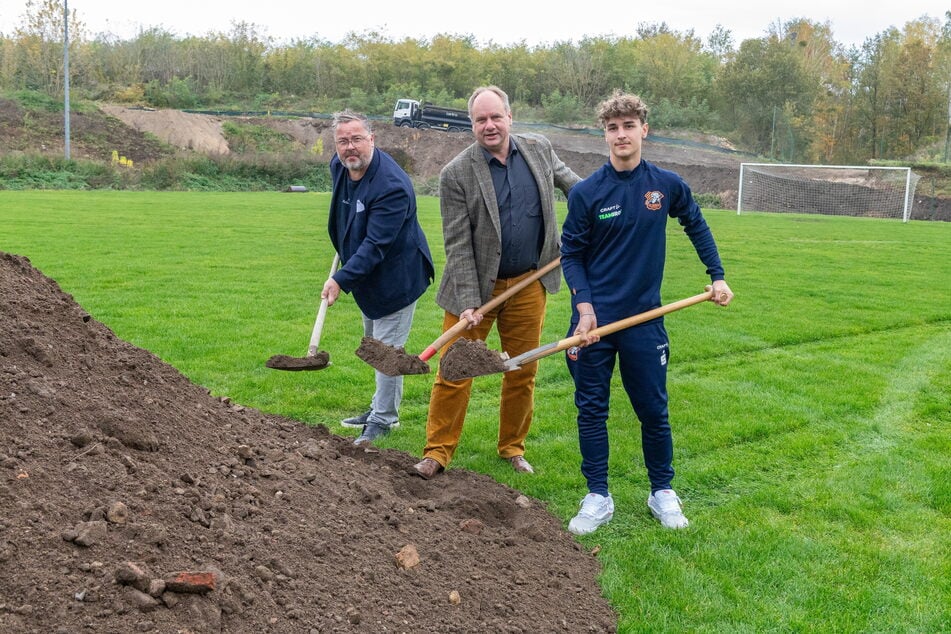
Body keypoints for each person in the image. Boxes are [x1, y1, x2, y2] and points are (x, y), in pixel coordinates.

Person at [559, 90, 734, 534]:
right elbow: (571, 255)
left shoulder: (666, 185)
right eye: (613, 128)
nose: (621, 135)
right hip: (593, 324)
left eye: (628, 126)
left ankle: (662, 492)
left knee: (653, 411)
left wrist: (716, 274)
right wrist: (584, 308)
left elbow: (696, 222)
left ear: (643, 130)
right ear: (605, 134)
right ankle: (597, 495)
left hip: (644, 322)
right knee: (591, 410)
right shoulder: (586, 193)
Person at [412, 86, 581, 480]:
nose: (489, 126)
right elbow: (457, 242)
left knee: (521, 370)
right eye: (480, 120)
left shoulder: (538, 149)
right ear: (471, 124)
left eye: (495, 117)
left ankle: (512, 448)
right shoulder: (456, 173)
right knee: (454, 371)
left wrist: (600, 215)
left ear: (510, 117)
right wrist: (470, 302)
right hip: (473, 290)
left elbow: (580, 189)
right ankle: (437, 452)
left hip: (529, 283)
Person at [324, 109, 435, 446]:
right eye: (343, 141)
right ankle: (379, 407)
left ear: (372, 139)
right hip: (367, 274)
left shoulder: (392, 186)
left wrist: (341, 278)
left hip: (396, 278)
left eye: (357, 139)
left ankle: (383, 420)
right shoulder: (340, 167)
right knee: (375, 345)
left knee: (386, 352)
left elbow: (376, 245)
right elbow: (347, 213)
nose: (349, 147)